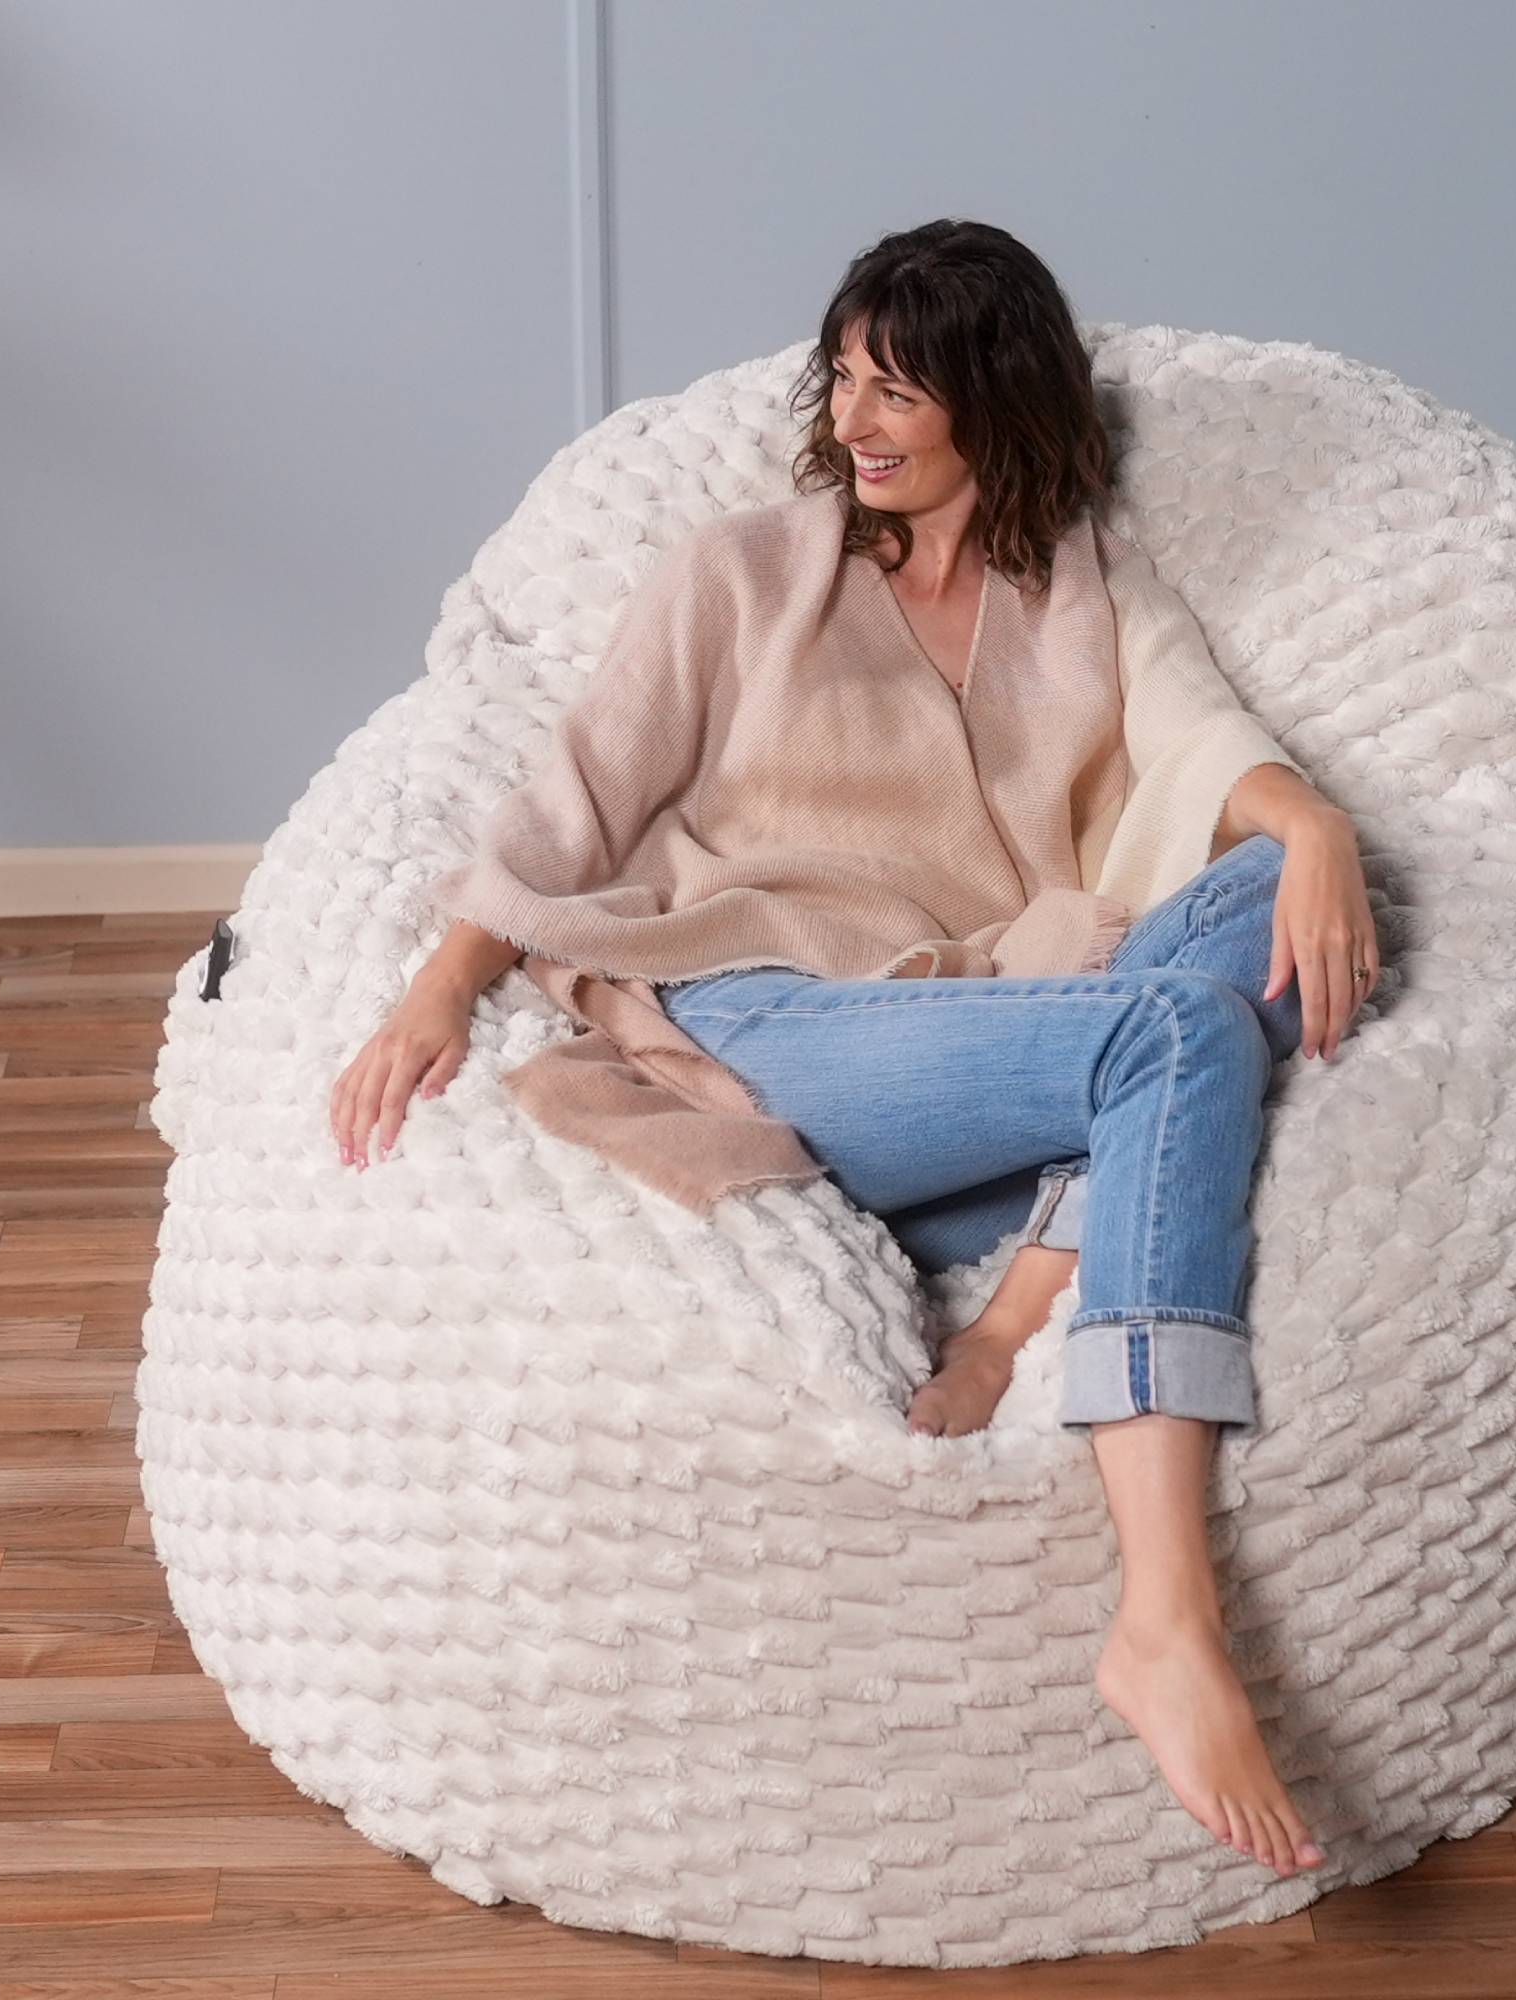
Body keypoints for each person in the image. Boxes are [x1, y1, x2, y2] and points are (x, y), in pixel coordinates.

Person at [330, 219, 1378, 1881]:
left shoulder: (1083, 578)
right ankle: (1166, 1618)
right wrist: (441, 988)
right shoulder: (742, 572)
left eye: (900, 388)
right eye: (844, 378)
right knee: (1177, 1028)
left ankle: (1015, 1314)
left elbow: (1202, 739)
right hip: (772, 1006)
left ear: (997, 399)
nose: (856, 418)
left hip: (988, 1030)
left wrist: (1312, 826)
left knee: (1259, 895)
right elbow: (574, 796)